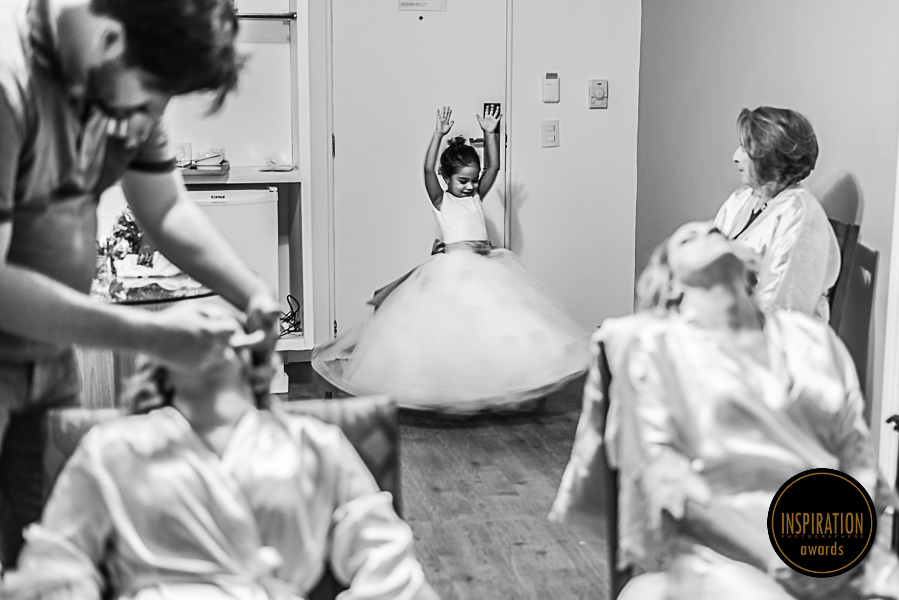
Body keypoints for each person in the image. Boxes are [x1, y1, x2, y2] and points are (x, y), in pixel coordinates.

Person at [0, 0, 280, 568]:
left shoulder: (123, 68)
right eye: (152, 96)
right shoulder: (9, 81)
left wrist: (250, 291)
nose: (153, 114)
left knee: (52, 554)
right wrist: (150, 336)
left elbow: (165, 205)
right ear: (107, 37)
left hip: (48, 360)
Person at [553, 221, 899, 600]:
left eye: (716, 232)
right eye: (689, 236)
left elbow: (856, 450)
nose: (708, 232)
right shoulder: (656, 348)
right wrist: (774, 556)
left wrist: (849, 549)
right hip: (726, 547)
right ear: (670, 282)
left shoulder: (811, 337)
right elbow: (666, 471)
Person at [1, 304, 441, 600]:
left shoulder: (314, 442)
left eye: (217, 318)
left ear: (249, 351)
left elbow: (387, 561)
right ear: (159, 361)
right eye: (185, 328)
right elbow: (56, 562)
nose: (204, 327)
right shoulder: (113, 447)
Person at [312, 106, 590, 414]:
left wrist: (489, 133)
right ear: (447, 179)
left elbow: (494, 169)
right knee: (454, 332)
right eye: (463, 180)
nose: (470, 186)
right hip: (451, 272)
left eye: (473, 180)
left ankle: (501, 386)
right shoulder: (441, 199)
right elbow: (427, 170)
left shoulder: (474, 198)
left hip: (486, 267)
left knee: (495, 327)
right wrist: (437, 134)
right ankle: (454, 390)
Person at [714, 106, 840, 322]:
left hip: (770, 339)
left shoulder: (799, 215)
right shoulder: (741, 200)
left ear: (769, 155)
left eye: (745, 148)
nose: (735, 157)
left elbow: (780, 304)